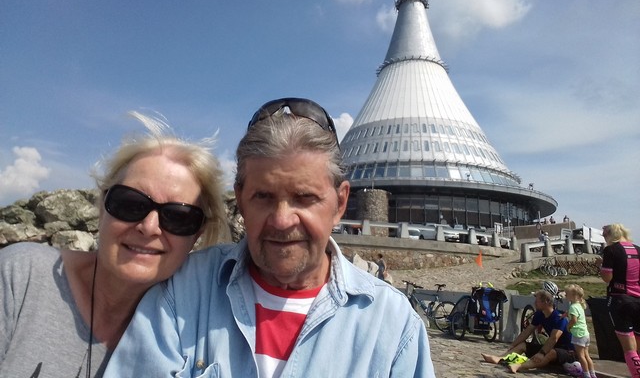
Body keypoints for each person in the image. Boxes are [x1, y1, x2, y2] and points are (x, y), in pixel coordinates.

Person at [104, 97, 434, 377]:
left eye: (304, 198)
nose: (282, 220)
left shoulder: (393, 325)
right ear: (241, 200)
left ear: (340, 203)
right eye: (263, 197)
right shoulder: (183, 292)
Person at [0, 112, 229, 377]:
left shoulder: (192, 334)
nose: (149, 227)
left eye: (178, 217)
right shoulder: (22, 276)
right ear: (103, 207)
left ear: (197, 234)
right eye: (131, 204)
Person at [481, 289, 574, 373]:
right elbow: (527, 331)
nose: (535, 303)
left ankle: (520, 366)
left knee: (551, 352)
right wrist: (513, 345)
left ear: (546, 301)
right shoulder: (539, 314)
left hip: (568, 352)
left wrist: (541, 353)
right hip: (552, 348)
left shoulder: (559, 318)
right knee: (523, 345)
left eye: (537, 301)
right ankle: (500, 358)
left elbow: (554, 338)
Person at [600, 223, 640, 378]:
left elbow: (607, 277)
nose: (604, 238)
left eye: (604, 235)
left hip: (620, 300)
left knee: (629, 348)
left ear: (611, 234)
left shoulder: (611, 250)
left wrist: (601, 267)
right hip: (638, 299)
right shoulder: (637, 249)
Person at [564, 284, 596, 378]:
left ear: (573, 296)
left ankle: (586, 374)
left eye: (567, 294)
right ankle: (593, 373)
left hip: (578, 334)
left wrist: (568, 326)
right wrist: (566, 314)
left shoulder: (573, 307)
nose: (565, 295)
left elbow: (574, 320)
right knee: (587, 355)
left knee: (581, 356)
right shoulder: (579, 305)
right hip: (585, 334)